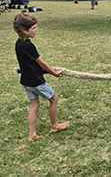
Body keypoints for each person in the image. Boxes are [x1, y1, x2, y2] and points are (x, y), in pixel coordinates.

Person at [13, 13, 69, 141]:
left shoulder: (19, 44)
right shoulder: (28, 46)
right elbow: (41, 63)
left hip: (26, 81)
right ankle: (54, 126)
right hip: (36, 81)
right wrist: (54, 73)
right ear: (23, 30)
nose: (36, 30)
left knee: (35, 106)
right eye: (33, 28)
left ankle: (32, 135)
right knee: (54, 99)